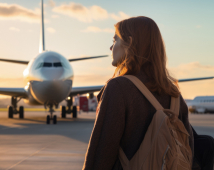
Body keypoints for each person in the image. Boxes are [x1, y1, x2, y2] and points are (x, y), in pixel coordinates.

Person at [82, 16, 194, 170]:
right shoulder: (174, 94)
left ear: (129, 43)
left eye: (115, 40)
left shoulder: (118, 88)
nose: (110, 47)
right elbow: (189, 150)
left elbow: (101, 155)